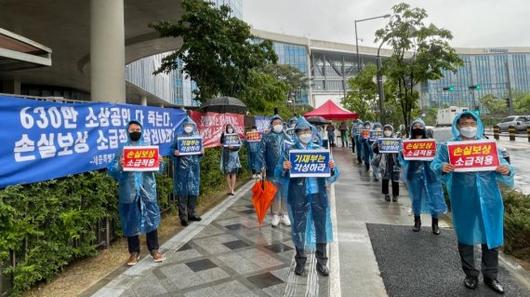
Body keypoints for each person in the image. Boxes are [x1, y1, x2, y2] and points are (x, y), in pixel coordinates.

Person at [431, 112, 513, 294]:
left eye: (472, 123)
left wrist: (506, 170)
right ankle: (470, 275)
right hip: (463, 197)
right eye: (464, 123)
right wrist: (441, 167)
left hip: (489, 198)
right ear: (458, 126)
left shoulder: (487, 145)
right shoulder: (448, 147)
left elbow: (504, 167)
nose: (469, 126)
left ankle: (491, 276)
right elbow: (436, 166)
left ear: (478, 124)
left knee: (490, 236)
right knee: (466, 236)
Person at [275, 117, 339, 276]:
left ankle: (322, 262)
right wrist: (284, 168)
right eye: (301, 131)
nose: (305, 134)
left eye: (307, 130)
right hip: (298, 196)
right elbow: (278, 174)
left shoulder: (319, 150)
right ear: (296, 134)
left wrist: (331, 168)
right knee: (298, 228)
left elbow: (333, 174)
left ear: (312, 132)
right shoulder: (289, 152)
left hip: (318, 195)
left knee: (321, 227)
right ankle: (300, 262)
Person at [108, 120, 165, 266]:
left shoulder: (148, 147)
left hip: (147, 189)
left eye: (137, 129)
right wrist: (119, 166)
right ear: (127, 131)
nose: (135, 131)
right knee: (131, 221)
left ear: (142, 130)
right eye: (132, 129)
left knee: (150, 219)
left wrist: (160, 163)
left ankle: (154, 249)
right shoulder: (122, 149)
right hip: (129, 190)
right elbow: (112, 171)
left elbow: (160, 171)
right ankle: (134, 252)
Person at [399, 118, 447, 234]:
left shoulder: (432, 143)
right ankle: (417, 221)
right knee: (416, 198)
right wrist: (402, 154)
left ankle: (435, 224)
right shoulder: (407, 143)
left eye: (420, 126)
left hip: (431, 174)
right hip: (414, 174)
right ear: (411, 129)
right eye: (415, 126)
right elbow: (401, 160)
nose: (418, 128)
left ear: (424, 128)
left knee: (434, 197)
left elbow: (438, 158)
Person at [260, 113, 292, 227]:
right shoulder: (266, 137)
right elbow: (261, 153)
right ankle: (275, 214)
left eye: (279, 123)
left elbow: (293, 152)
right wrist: (263, 166)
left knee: (285, 192)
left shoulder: (287, 137)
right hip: (271, 169)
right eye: (275, 123)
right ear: (271, 124)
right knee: (274, 193)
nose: (278, 125)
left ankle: (285, 214)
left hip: (286, 171)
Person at [171, 116, 203, 227]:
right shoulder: (178, 137)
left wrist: (201, 152)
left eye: (190, 125)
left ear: (193, 127)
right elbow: (171, 149)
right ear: (183, 126)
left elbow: (200, 153)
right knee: (183, 192)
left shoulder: (197, 138)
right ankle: (183, 217)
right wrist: (174, 152)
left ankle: (192, 213)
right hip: (182, 169)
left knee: (193, 191)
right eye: (186, 125)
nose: (188, 127)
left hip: (194, 169)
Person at [372, 124, 400, 202]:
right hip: (384, 162)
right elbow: (373, 148)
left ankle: (395, 195)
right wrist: (378, 147)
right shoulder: (379, 140)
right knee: (385, 179)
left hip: (395, 162)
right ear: (383, 131)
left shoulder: (396, 140)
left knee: (395, 180)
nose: (387, 131)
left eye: (389, 129)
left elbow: (401, 150)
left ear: (392, 131)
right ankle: (386, 194)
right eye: (386, 129)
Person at [220, 123, 241, 195]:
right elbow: (221, 142)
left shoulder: (236, 135)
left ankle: (232, 188)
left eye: (231, 127)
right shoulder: (224, 135)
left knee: (234, 173)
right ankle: (229, 188)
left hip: (234, 157)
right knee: (227, 173)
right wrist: (223, 133)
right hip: (226, 156)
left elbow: (238, 146)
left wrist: (233, 147)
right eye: (228, 127)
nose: (229, 129)